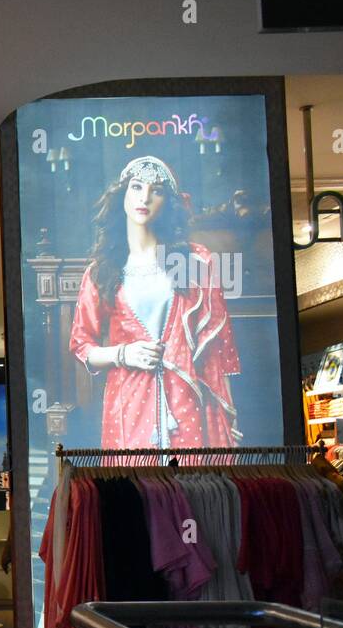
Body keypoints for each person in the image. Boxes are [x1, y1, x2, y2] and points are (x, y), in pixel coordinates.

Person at [68, 155, 241, 449]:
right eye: (136, 187)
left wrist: (229, 422)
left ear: (168, 202)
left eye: (157, 190)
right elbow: (81, 345)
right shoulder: (101, 271)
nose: (144, 197)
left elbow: (217, 351)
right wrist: (123, 354)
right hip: (127, 401)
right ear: (122, 195)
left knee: (191, 487)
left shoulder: (194, 260)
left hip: (186, 396)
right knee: (135, 489)